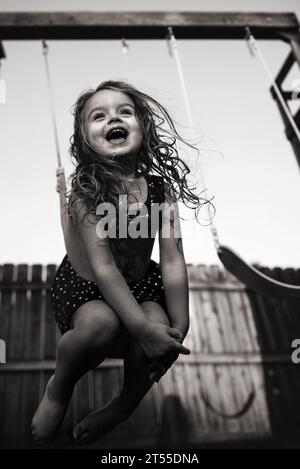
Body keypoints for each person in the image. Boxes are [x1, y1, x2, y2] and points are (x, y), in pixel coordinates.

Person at [31, 80, 205, 445]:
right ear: (84, 139)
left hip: (142, 283)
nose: (114, 117)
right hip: (90, 286)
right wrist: (140, 331)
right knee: (100, 324)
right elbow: (103, 267)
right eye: (100, 115)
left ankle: (124, 404)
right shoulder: (85, 192)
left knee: (163, 326)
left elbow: (173, 258)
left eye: (124, 111)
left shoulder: (161, 190)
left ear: (142, 125)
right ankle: (59, 388)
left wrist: (180, 324)